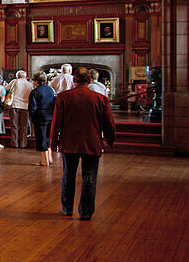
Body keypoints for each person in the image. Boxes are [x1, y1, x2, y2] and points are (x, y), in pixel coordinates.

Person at [49, 68, 116, 220]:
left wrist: (53, 142)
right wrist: (109, 140)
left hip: (69, 142)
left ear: (74, 80)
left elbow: (56, 122)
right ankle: (86, 212)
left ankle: (67, 208)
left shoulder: (63, 97)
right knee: (90, 177)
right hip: (92, 142)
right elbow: (109, 123)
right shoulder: (100, 98)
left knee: (68, 176)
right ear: (90, 80)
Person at [28, 71, 56, 167]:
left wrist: (33, 117)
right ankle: (50, 157)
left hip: (40, 117)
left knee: (41, 138)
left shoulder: (35, 91)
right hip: (50, 116)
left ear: (36, 81)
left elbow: (32, 107)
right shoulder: (50, 90)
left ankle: (45, 160)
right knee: (48, 137)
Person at [6, 69, 34, 148]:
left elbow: (7, 88)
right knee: (24, 126)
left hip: (15, 105)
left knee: (14, 125)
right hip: (25, 106)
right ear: (25, 76)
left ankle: (14, 143)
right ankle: (23, 144)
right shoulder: (30, 84)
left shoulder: (15, 81)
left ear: (17, 76)